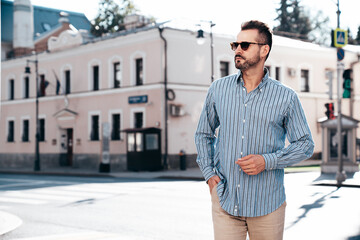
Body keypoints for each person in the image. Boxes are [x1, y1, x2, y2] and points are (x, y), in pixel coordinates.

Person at [194, 20, 314, 240]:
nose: (238, 50)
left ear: (264, 50)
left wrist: (267, 161)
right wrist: (209, 174)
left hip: (268, 204)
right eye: (235, 44)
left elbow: (305, 144)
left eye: (245, 45)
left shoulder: (286, 97)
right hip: (226, 200)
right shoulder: (218, 89)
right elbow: (203, 134)